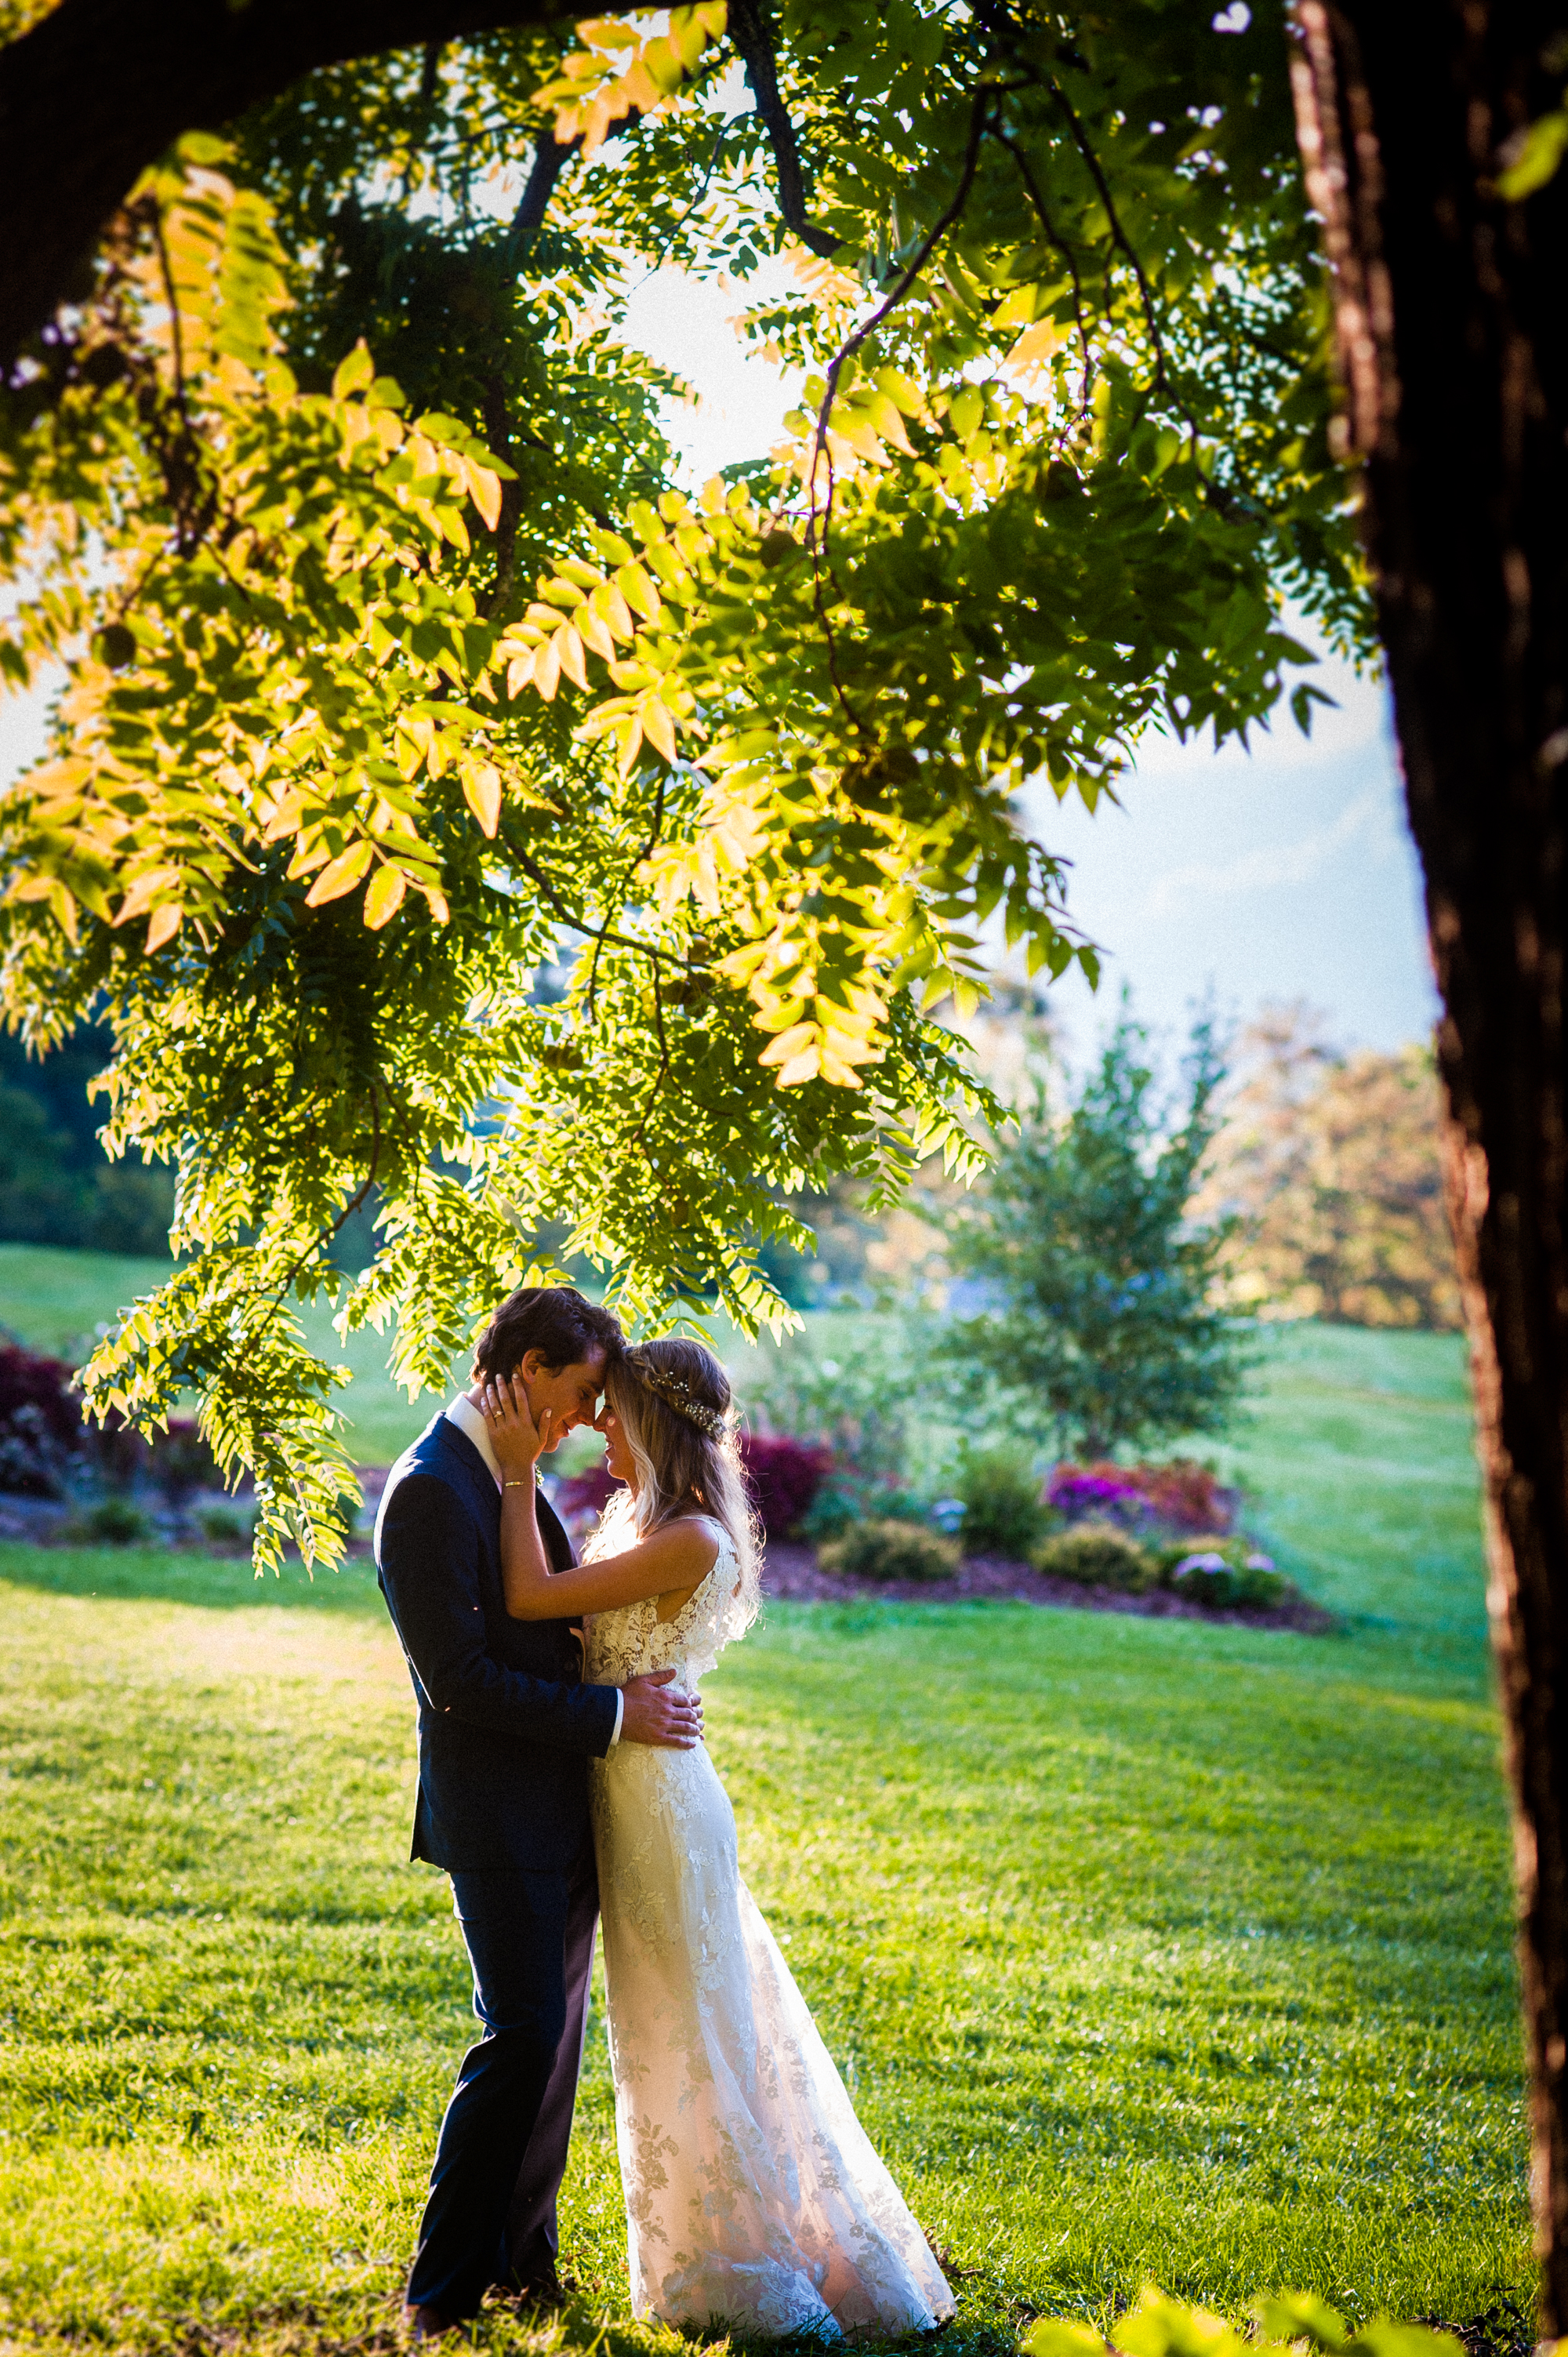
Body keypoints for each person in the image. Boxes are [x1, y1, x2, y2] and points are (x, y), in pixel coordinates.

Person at [480, 1335, 955, 2340]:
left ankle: (737, 2264)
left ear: (650, 1422)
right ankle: (705, 2246)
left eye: (610, 1410)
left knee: (689, 2025)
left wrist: (517, 1470)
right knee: (667, 2022)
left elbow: (528, 1598)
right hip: (625, 1780)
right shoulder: (641, 1518)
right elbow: (578, 1636)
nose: (597, 1424)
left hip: (658, 1804)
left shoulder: (692, 1537)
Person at [374, 1287, 706, 2339]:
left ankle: (527, 2264)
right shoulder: (433, 1488)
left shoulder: (503, 1478)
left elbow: (550, 1620)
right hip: (499, 1813)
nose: (574, 1424)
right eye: (568, 1398)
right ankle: (440, 2288)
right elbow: (460, 1680)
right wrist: (615, 1712)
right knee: (518, 2037)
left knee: (551, 2045)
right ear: (516, 1370)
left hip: (560, 1804)